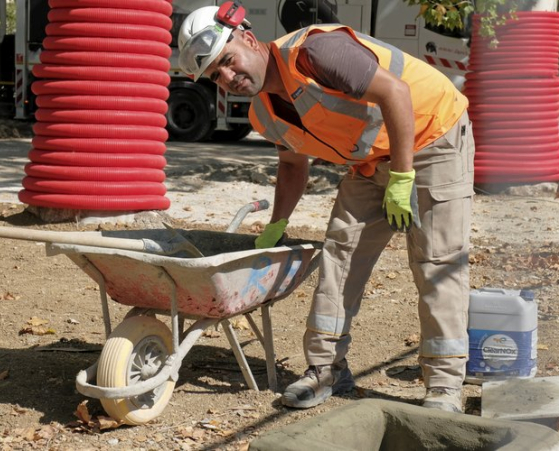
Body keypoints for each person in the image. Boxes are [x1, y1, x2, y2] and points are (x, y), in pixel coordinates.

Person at [178, 3, 475, 413]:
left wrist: (403, 178)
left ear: (248, 38)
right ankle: (326, 369)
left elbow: (396, 93)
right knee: (340, 253)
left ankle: (443, 387)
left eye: (227, 61)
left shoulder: (316, 52)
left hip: (431, 134)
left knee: (436, 260)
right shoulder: (263, 113)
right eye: (215, 75)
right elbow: (292, 165)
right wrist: (275, 226)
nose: (228, 78)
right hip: (372, 159)